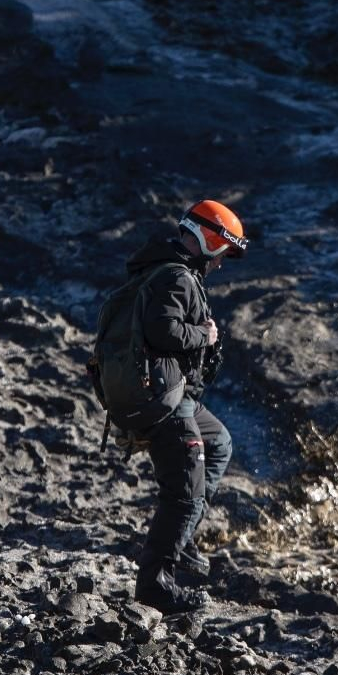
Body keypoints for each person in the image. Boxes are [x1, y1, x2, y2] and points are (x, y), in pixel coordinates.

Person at [124, 200, 246, 614]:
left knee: (220, 442)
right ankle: (156, 585)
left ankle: (184, 535)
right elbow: (164, 330)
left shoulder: (165, 270)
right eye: (223, 253)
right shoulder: (176, 277)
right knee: (184, 493)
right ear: (212, 242)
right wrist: (205, 336)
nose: (222, 264)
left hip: (179, 397)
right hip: (166, 399)